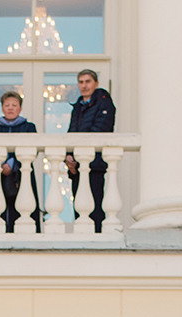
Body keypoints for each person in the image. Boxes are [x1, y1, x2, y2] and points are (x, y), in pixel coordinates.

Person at [64, 69, 114, 230]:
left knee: (95, 207)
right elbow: (71, 133)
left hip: (95, 164)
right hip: (77, 167)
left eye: (88, 81)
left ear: (96, 83)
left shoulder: (103, 102)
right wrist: (69, 156)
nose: (84, 85)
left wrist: (77, 154)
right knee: (79, 206)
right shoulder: (77, 107)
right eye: (81, 82)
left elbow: (101, 129)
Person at [0, 90, 38, 233]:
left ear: (20, 108)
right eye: (7, 105)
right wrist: (2, 164)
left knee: (23, 208)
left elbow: (32, 150)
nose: (10, 108)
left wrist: (12, 163)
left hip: (21, 175)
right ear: (2, 108)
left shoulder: (28, 128)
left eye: (14, 105)